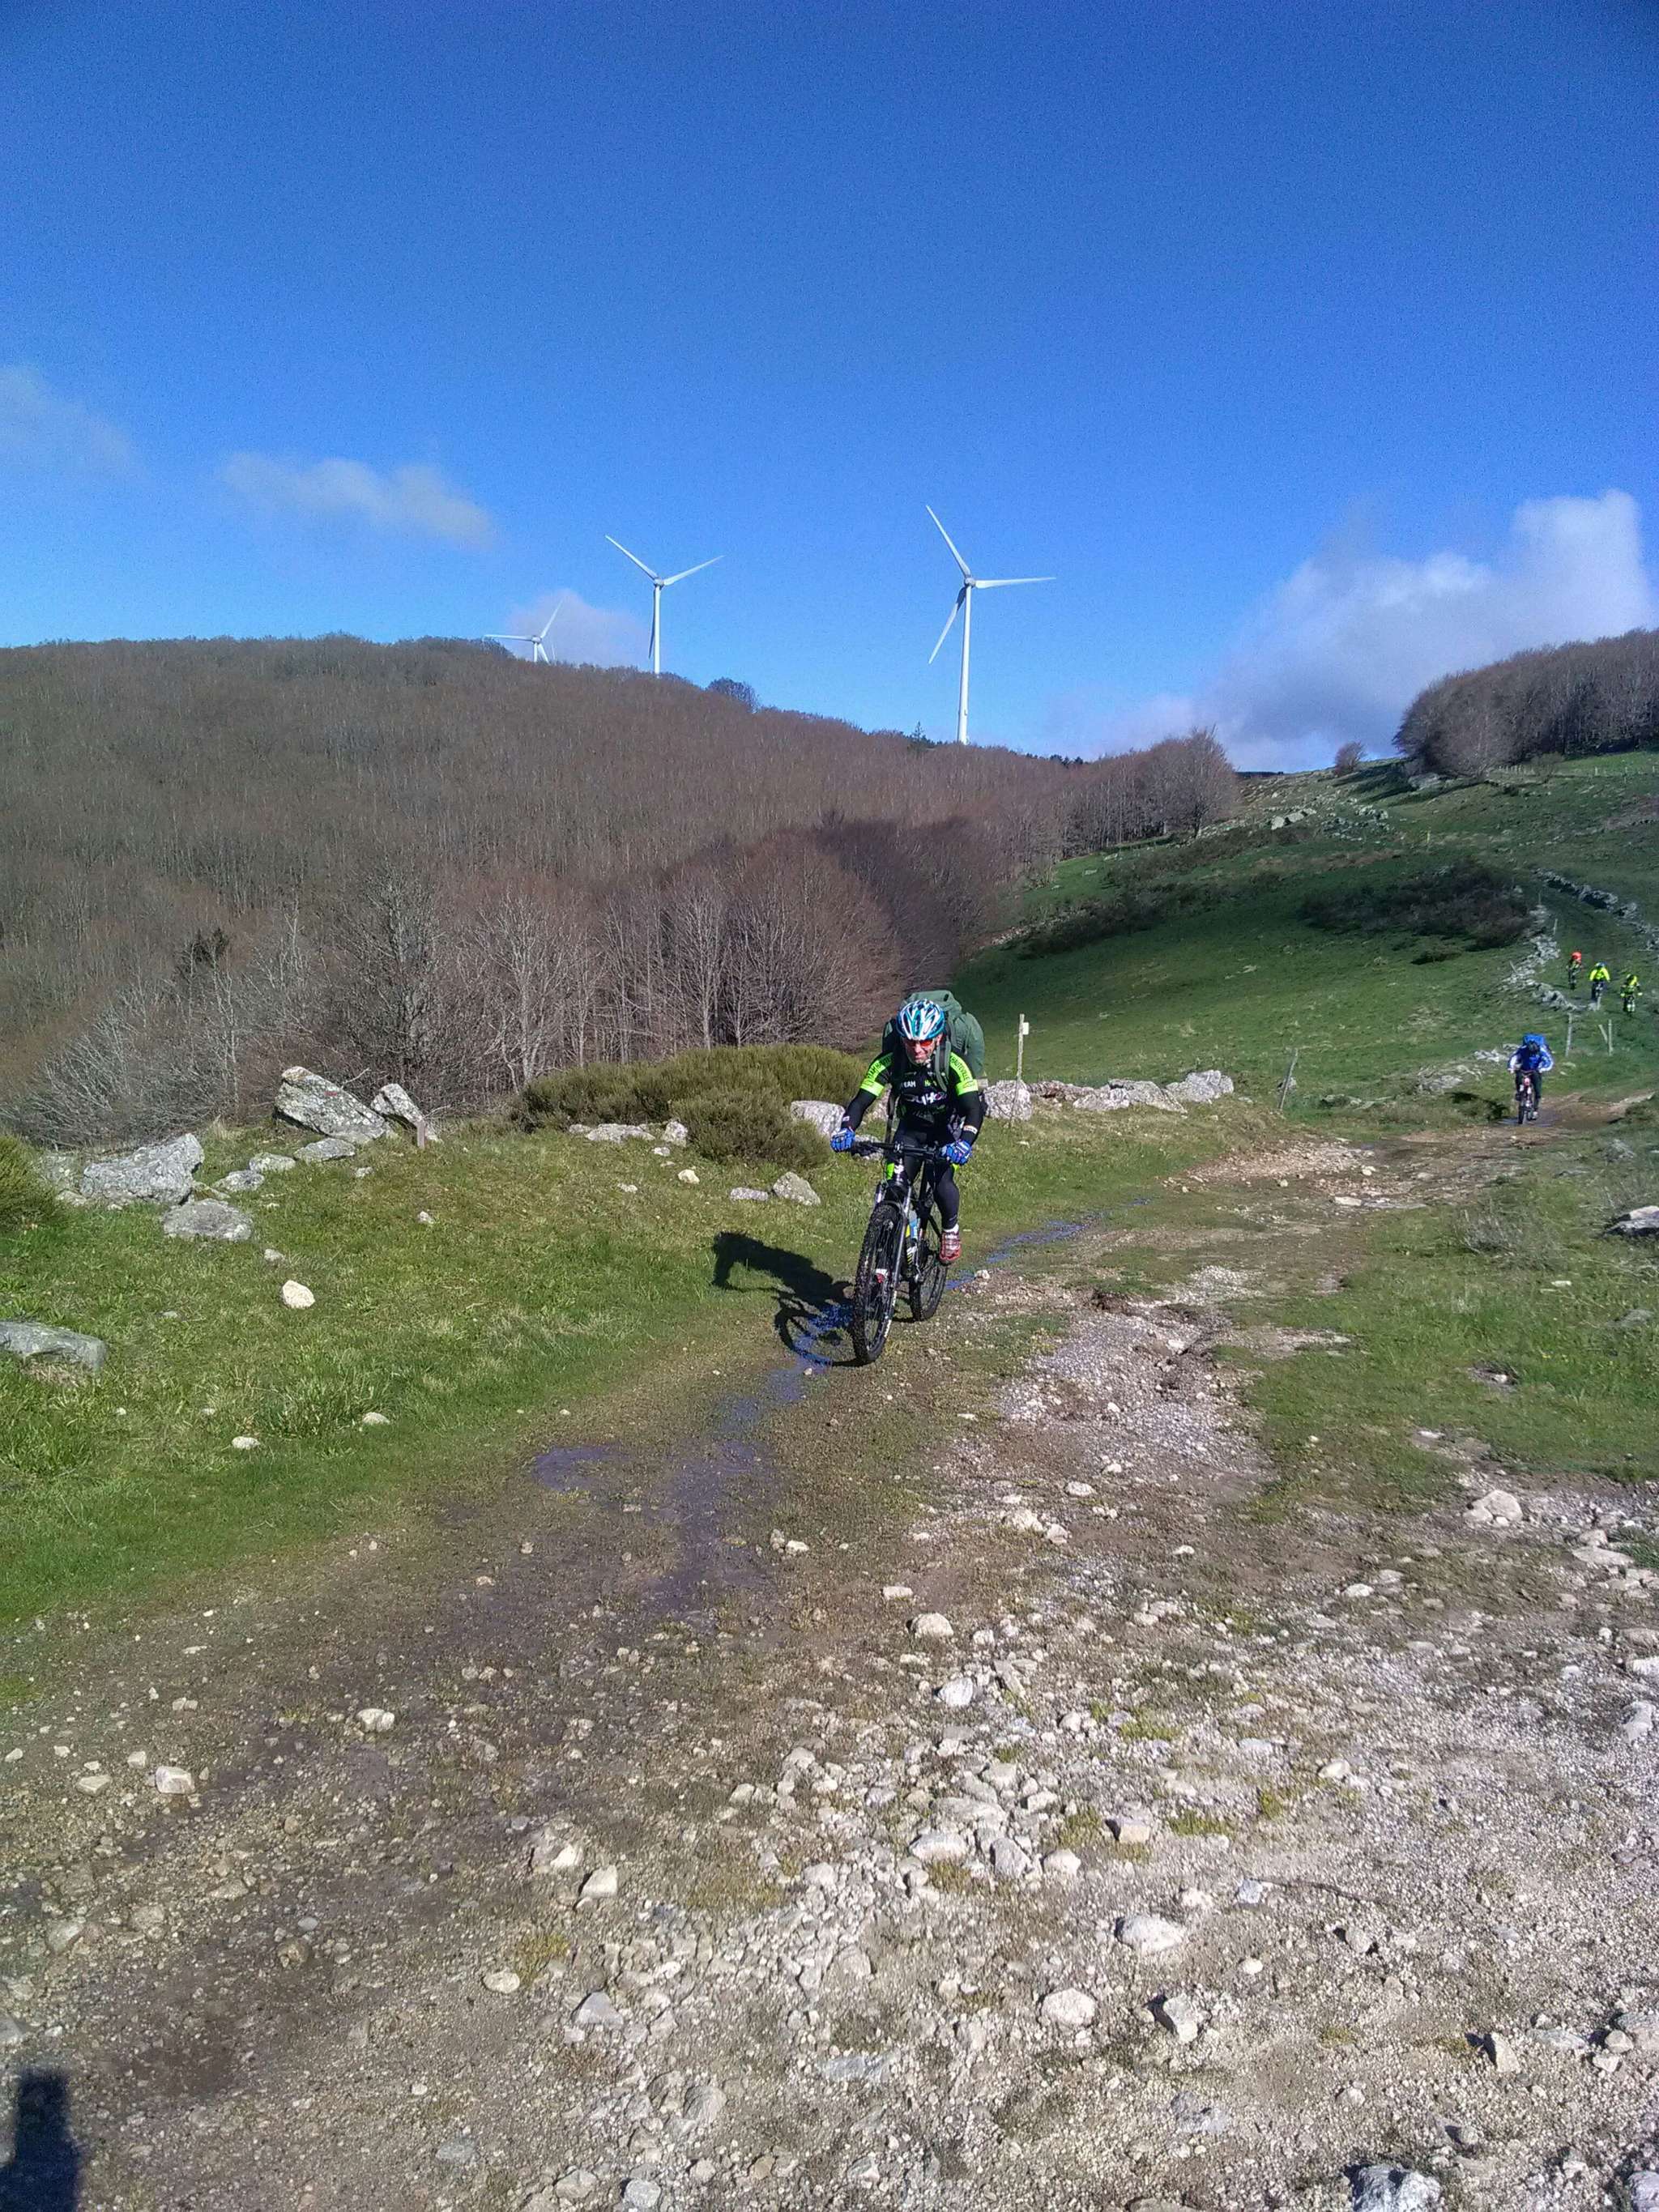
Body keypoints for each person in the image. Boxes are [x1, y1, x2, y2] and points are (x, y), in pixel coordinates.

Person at [831, 998, 985, 1263]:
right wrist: (846, 1129)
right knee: (894, 1186)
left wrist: (965, 1143)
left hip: (946, 1130)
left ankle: (950, 1229)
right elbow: (861, 1101)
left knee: (941, 1183)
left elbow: (974, 1109)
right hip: (910, 1128)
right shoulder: (890, 1061)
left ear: (938, 1038)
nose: (917, 1049)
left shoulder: (954, 1063)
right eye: (910, 1042)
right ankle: (888, 1253)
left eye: (925, 1042)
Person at [1509, 1031, 1553, 1113]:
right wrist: (1511, 1068)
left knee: (1537, 1090)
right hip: (1524, 1069)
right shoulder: (1523, 1050)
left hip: (1536, 1070)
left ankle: (1535, 1109)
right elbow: (1514, 1058)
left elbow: (1549, 1062)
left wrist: (1543, 1069)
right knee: (1518, 1077)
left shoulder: (1542, 1050)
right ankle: (1519, 1093)